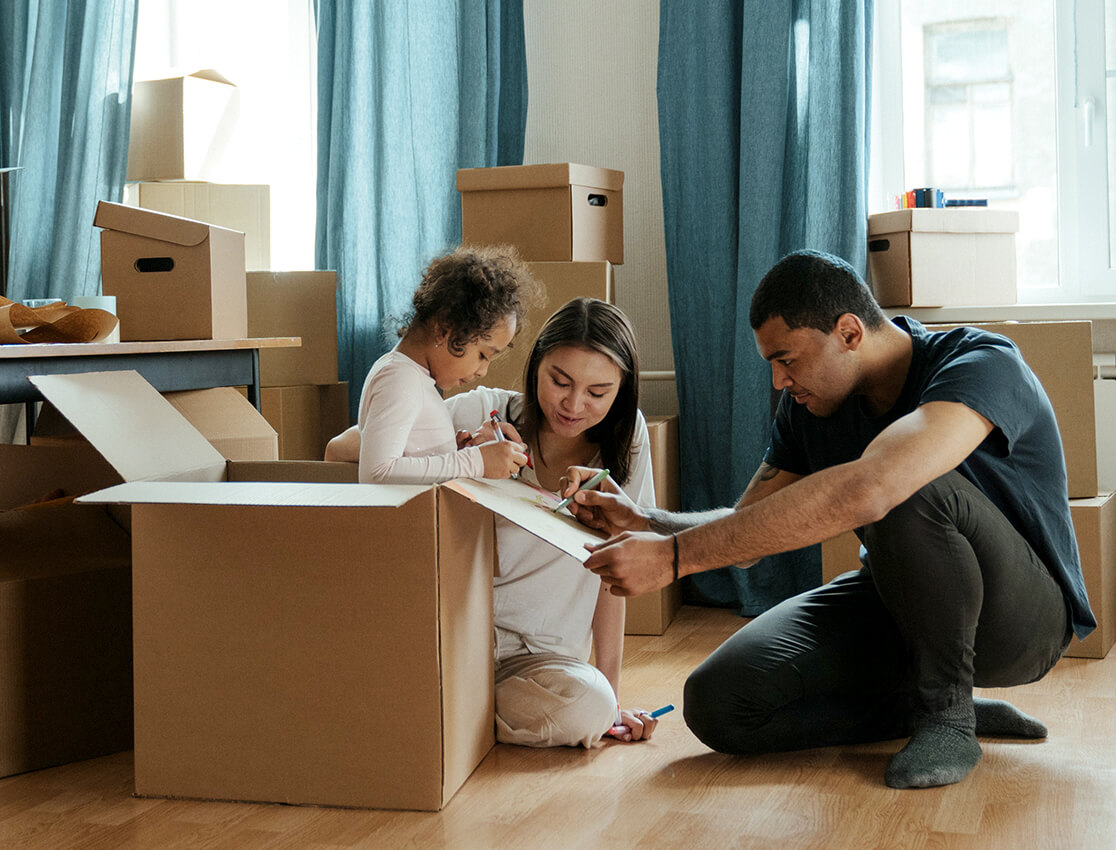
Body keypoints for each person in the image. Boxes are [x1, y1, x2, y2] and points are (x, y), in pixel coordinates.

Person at [570, 249, 1094, 788]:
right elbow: (748, 529)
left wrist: (674, 560)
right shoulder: (808, 408)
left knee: (905, 483)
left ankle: (948, 716)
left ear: (848, 332)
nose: (778, 381)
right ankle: (919, 706)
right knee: (719, 703)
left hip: (1023, 621)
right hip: (899, 603)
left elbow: (878, 486)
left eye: (787, 360)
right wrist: (647, 523)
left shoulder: (981, 362)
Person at [330, 297, 662, 747]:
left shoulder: (629, 442)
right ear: (535, 366)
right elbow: (342, 449)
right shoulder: (482, 410)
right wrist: (462, 455)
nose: (573, 404)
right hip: (457, 640)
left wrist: (613, 697)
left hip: (542, 663)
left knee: (591, 707)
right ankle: (449, 710)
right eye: (559, 381)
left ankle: (445, 714)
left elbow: (614, 572)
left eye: (598, 393)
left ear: (621, 391)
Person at [356, 244, 533, 483]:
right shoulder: (400, 379)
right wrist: (475, 461)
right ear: (444, 330)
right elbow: (377, 473)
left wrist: (454, 454)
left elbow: (412, 462)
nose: (483, 371)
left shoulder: (414, 378)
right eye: (483, 355)